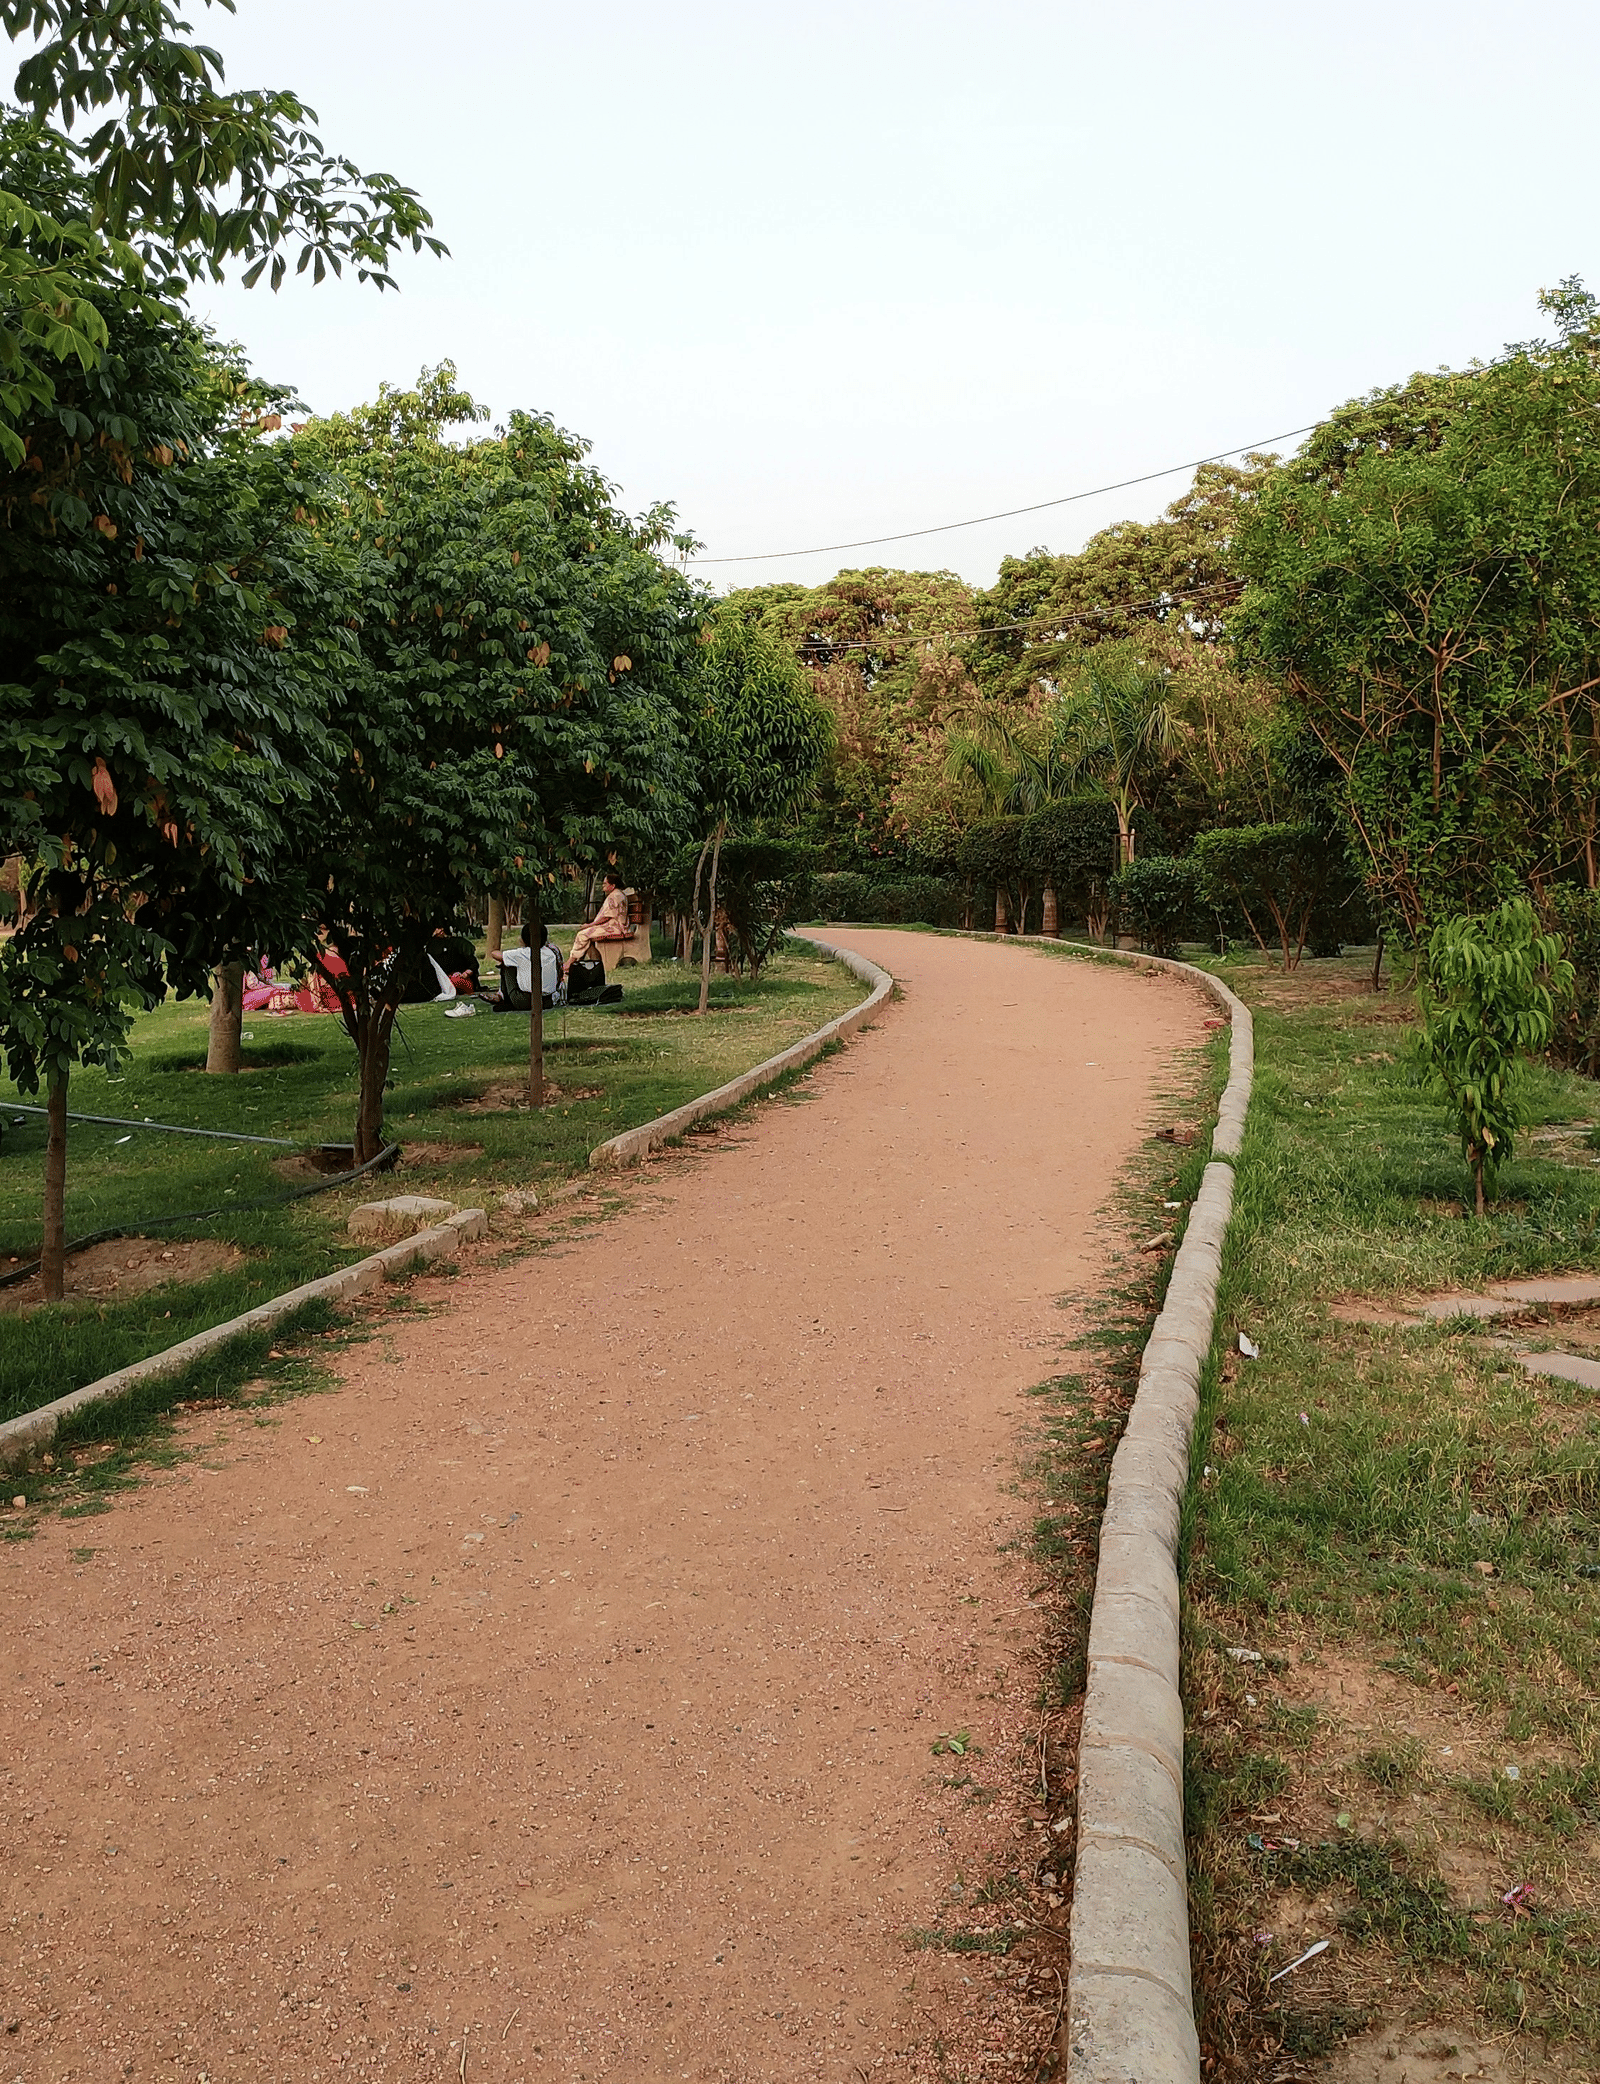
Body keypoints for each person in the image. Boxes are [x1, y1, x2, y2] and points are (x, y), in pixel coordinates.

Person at [569, 870, 632, 963]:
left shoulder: (614, 896)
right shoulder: (617, 894)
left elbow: (607, 917)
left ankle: (570, 964)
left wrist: (590, 925)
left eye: (605, 884)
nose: (603, 886)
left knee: (582, 934)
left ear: (612, 886)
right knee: (585, 933)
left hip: (615, 928)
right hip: (617, 926)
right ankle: (587, 960)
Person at [501, 924, 562, 1007]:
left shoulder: (522, 953)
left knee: (507, 963)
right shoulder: (551, 953)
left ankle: (503, 997)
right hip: (548, 1001)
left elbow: (495, 954)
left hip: (525, 1001)